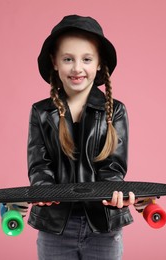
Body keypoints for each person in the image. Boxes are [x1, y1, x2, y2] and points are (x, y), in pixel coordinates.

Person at [27, 14, 138, 260]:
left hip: (103, 225)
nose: (77, 68)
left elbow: (114, 165)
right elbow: (39, 164)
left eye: (86, 59)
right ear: (54, 62)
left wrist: (114, 191)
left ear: (99, 64)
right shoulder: (41, 112)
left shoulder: (115, 110)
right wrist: (43, 191)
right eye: (68, 59)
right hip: (55, 226)